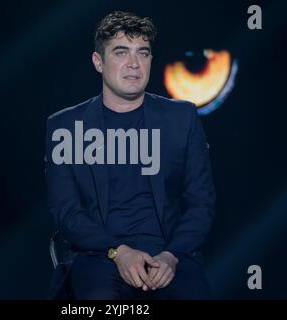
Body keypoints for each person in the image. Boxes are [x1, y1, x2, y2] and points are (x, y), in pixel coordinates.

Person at [45, 11, 216, 300]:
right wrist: (118, 252)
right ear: (98, 62)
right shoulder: (65, 126)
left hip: (170, 256)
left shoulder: (182, 118)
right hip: (100, 255)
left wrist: (172, 255)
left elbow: (201, 202)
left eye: (143, 53)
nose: (134, 64)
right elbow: (67, 211)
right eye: (121, 52)